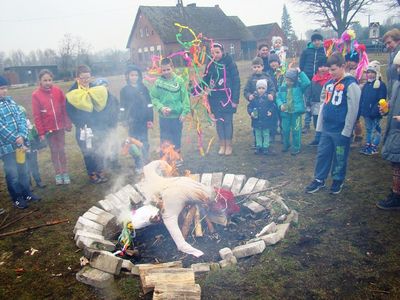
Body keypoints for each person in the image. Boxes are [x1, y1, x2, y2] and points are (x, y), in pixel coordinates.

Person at [305, 52, 361, 195]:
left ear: (343, 66)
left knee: (340, 156)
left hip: (341, 130)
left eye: (334, 69)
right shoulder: (329, 84)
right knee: (323, 154)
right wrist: (319, 128)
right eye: (329, 69)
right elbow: (324, 104)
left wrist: (347, 131)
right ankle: (319, 179)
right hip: (327, 129)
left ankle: (338, 179)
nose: (330, 72)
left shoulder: (351, 84)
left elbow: (353, 109)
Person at [0, 75, 40, 209]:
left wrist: (22, 135)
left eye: (5, 88)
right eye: (0, 89)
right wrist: (14, 138)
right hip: (6, 149)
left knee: (23, 170)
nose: (4, 91)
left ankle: (27, 192)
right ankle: (17, 197)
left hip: (20, 145)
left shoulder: (12, 103)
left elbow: (22, 119)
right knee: (13, 174)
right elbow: (1, 127)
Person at [66, 65, 109, 184]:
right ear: (77, 78)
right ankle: (92, 173)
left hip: (96, 125)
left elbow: (102, 106)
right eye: (83, 78)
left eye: (88, 78)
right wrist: (80, 123)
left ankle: (100, 170)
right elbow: (70, 111)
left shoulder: (96, 89)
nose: (85, 81)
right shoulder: (72, 92)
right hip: (83, 127)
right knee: (87, 150)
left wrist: (101, 121)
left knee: (99, 148)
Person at [32, 69, 72, 185]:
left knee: (62, 150)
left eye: (49, 80)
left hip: (60, 127)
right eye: (45, 80)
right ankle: (58, 173)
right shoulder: (36, 95)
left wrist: (67, 123)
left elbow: (65, 108)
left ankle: (65, 172)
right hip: (49, 130)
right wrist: (41, 133)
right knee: (54, 151)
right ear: (40, 81)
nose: (48, 82)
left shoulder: (58, 91)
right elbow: (37, 116)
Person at [203, 43, 240, 156]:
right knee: (219, 122)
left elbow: (236, 82)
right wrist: (195, 88)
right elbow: (205, 81)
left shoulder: (230, 64)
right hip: (214, 98)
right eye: (213, 53)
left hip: (227, 98)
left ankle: (228, 145)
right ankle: (222, 145)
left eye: (217, 52)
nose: (215, 55)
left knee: (227, 121)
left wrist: (235, 100)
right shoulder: (209, 65)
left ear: (222, 52)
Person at [150, 58, 190, 153]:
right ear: (161, 69)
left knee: (176, 138)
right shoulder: (158, 83)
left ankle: (176, 158)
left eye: (168, 69)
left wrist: (184, 113)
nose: (166, 72)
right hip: (164, 118)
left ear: (172, 67)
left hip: (177, 117)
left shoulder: (179, 81)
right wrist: (161, 107)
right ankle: (165, 159)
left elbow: (185, 98)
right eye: (164, 70)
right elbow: (153, 97)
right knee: (165, 139)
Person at [376, 51, 400, 210]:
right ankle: (396, 193)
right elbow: (393, 101)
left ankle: (397, 196)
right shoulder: (398, 84)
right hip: (395, 130)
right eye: (397, 67)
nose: (398, 70)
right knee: (396, 164)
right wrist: (387, 107)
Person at [120, 65, 153, 171]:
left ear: (139, 76)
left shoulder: (144, 88)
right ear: (128, 76)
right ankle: (138, 163)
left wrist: (150, 119)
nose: (134, 77)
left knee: (144, 142)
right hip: (131, 122)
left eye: (136, 75)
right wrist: (123, 120)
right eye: (132, 75)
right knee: (134, 143)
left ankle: (146, 161)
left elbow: (149, 105)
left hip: (143, 120)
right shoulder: (124, 90)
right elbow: (122, 107)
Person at [276, 68, 310, 155]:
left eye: (291, 81)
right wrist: (280, 105)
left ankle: (296, 147)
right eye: (287, 80)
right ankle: (286, 144)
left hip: (296, 113)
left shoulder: (299, 87)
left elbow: (307, 82)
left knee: (296, 130)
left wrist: (300, 73)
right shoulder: (283, 87)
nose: (288, 82)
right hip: (285, 113)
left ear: (295, 80)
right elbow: (278, 97)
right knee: (285, 130)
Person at [299, 30, 326, 133]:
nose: (317, 42)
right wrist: (303, 74)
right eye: (315, 40)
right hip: (307, 79)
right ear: (312, 41)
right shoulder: (306, 51)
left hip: (319, 79)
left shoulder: (324, 51)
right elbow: (301, 64)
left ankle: (318, 122)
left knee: (317, 101)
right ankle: (306, 124)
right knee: (307, 101)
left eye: (319, 40)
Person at [359, 61, 387, 155]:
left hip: (375, 113)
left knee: (375, 129)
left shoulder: (381, 85)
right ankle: (368, 144)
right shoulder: (367, 85)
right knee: (369, 129)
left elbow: (381, 99)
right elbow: (363, 98)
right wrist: (362, 109)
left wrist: (375, 111)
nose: (370, 74)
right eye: (368, 72)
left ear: (376, 73)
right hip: (367, 112)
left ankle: (374, 146)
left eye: (372, 72)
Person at [92, 78, 120, 170]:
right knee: (103, 145)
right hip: (101, 127)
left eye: (105, 86)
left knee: (114, 143)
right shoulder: (95, 99)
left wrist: (117, 120)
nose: (104, 89)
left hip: (112, 125)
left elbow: (117, 109)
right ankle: (104, 164)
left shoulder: (113, 98)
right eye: (101, 87)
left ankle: (114, 162)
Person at [247, 79, 278, 155]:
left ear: (266, 89)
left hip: (266, 120)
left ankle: (265, 147)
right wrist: (251, 113)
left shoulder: (268, 98)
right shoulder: (254, 98)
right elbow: (249, 107)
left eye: (263, 88)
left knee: (266, 133)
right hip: (256, 120)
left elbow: (273, 106)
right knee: (257, 133)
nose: (261, 90)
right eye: (259, 88)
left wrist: (270, 111)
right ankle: (258, 146)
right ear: (256, 89)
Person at [19, 105, 46, 188]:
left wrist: (37, 143)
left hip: (31, 144)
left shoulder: (28, 123)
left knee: (34, 163)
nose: (23, 116)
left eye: (24, 114)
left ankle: (38, 180)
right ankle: (28, 184)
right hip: (19, 146)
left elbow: (34, 134)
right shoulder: (15, 125)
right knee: (23, 165)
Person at [309, 58, 331, 146]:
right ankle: (317, 138)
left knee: (325, 121)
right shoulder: (314, 79)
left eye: (325, 66)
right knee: (316, 121)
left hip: (326, 104)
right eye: (320, 66)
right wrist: (309, 101)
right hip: (316, 103)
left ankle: (325, 139)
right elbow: (310, 90)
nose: (323, 68)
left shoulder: (331, 79)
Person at [345, 50, 364, 143]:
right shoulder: (348, 70)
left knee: (356, 118)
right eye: (348, 61)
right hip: (349, 96)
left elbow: (364, 82)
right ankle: (350, 134)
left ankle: (358, 135)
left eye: (351, 61)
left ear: (356, 61)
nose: (349, 63)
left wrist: (356, 87)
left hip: (358, 97)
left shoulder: (361, 69)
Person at [383, 28, 400, 98]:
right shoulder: (391, 54)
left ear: (398, 41)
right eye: (386, 43)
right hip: (392, 93)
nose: (387, 46)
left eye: (389, 42)